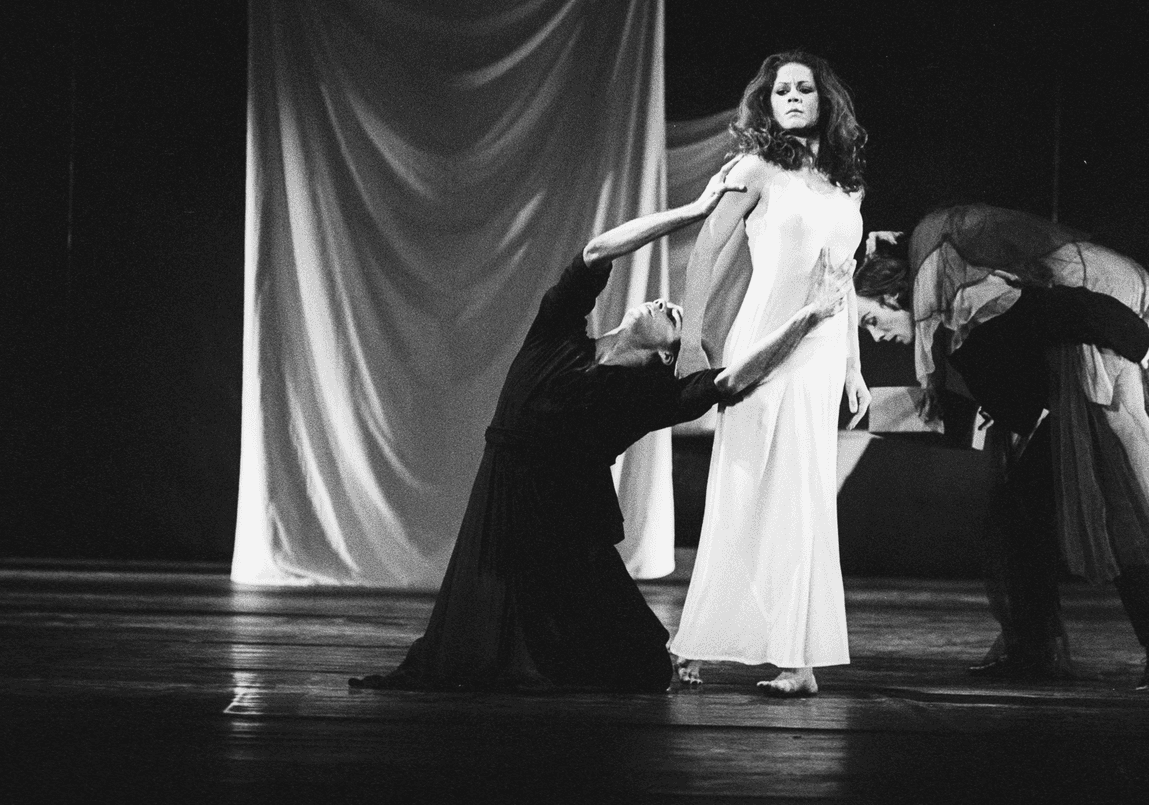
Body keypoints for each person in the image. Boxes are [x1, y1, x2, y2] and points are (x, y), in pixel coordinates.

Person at [349, 170, 852, 694]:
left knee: (639, 665)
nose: (664, 303)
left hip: (568, 524)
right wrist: (693, 212)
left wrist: (809, 317)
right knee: (471, 651)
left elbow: (730, 380)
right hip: (501, 500)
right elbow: (596, 252)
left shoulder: (646, 397)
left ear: (665, 354)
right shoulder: (559, 337)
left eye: (674, 317)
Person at [856, 209, 1149, 689]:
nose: (876, 335)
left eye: (872, 320)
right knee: (1020, 523)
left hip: (1088, 386)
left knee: (1107, 505)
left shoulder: (981, 299)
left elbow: (1069, 310)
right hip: (1062, 408)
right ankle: (1043, 649)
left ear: (894, 297)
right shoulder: (961, 321)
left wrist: (1138, 338)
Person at [671, 52, 872, 697]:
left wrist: (853, 369)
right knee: (743, 489)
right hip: (759, 342)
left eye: (802, 88)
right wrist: (694, 341)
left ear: (823, 101)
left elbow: (840, 286)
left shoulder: (846, 185)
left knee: (805, 498)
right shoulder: (756, 169)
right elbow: (706, 249)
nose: (790, 96)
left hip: (815, 357)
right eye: (781, 89)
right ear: (768, 101)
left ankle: (798, 659)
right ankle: (699, 640)